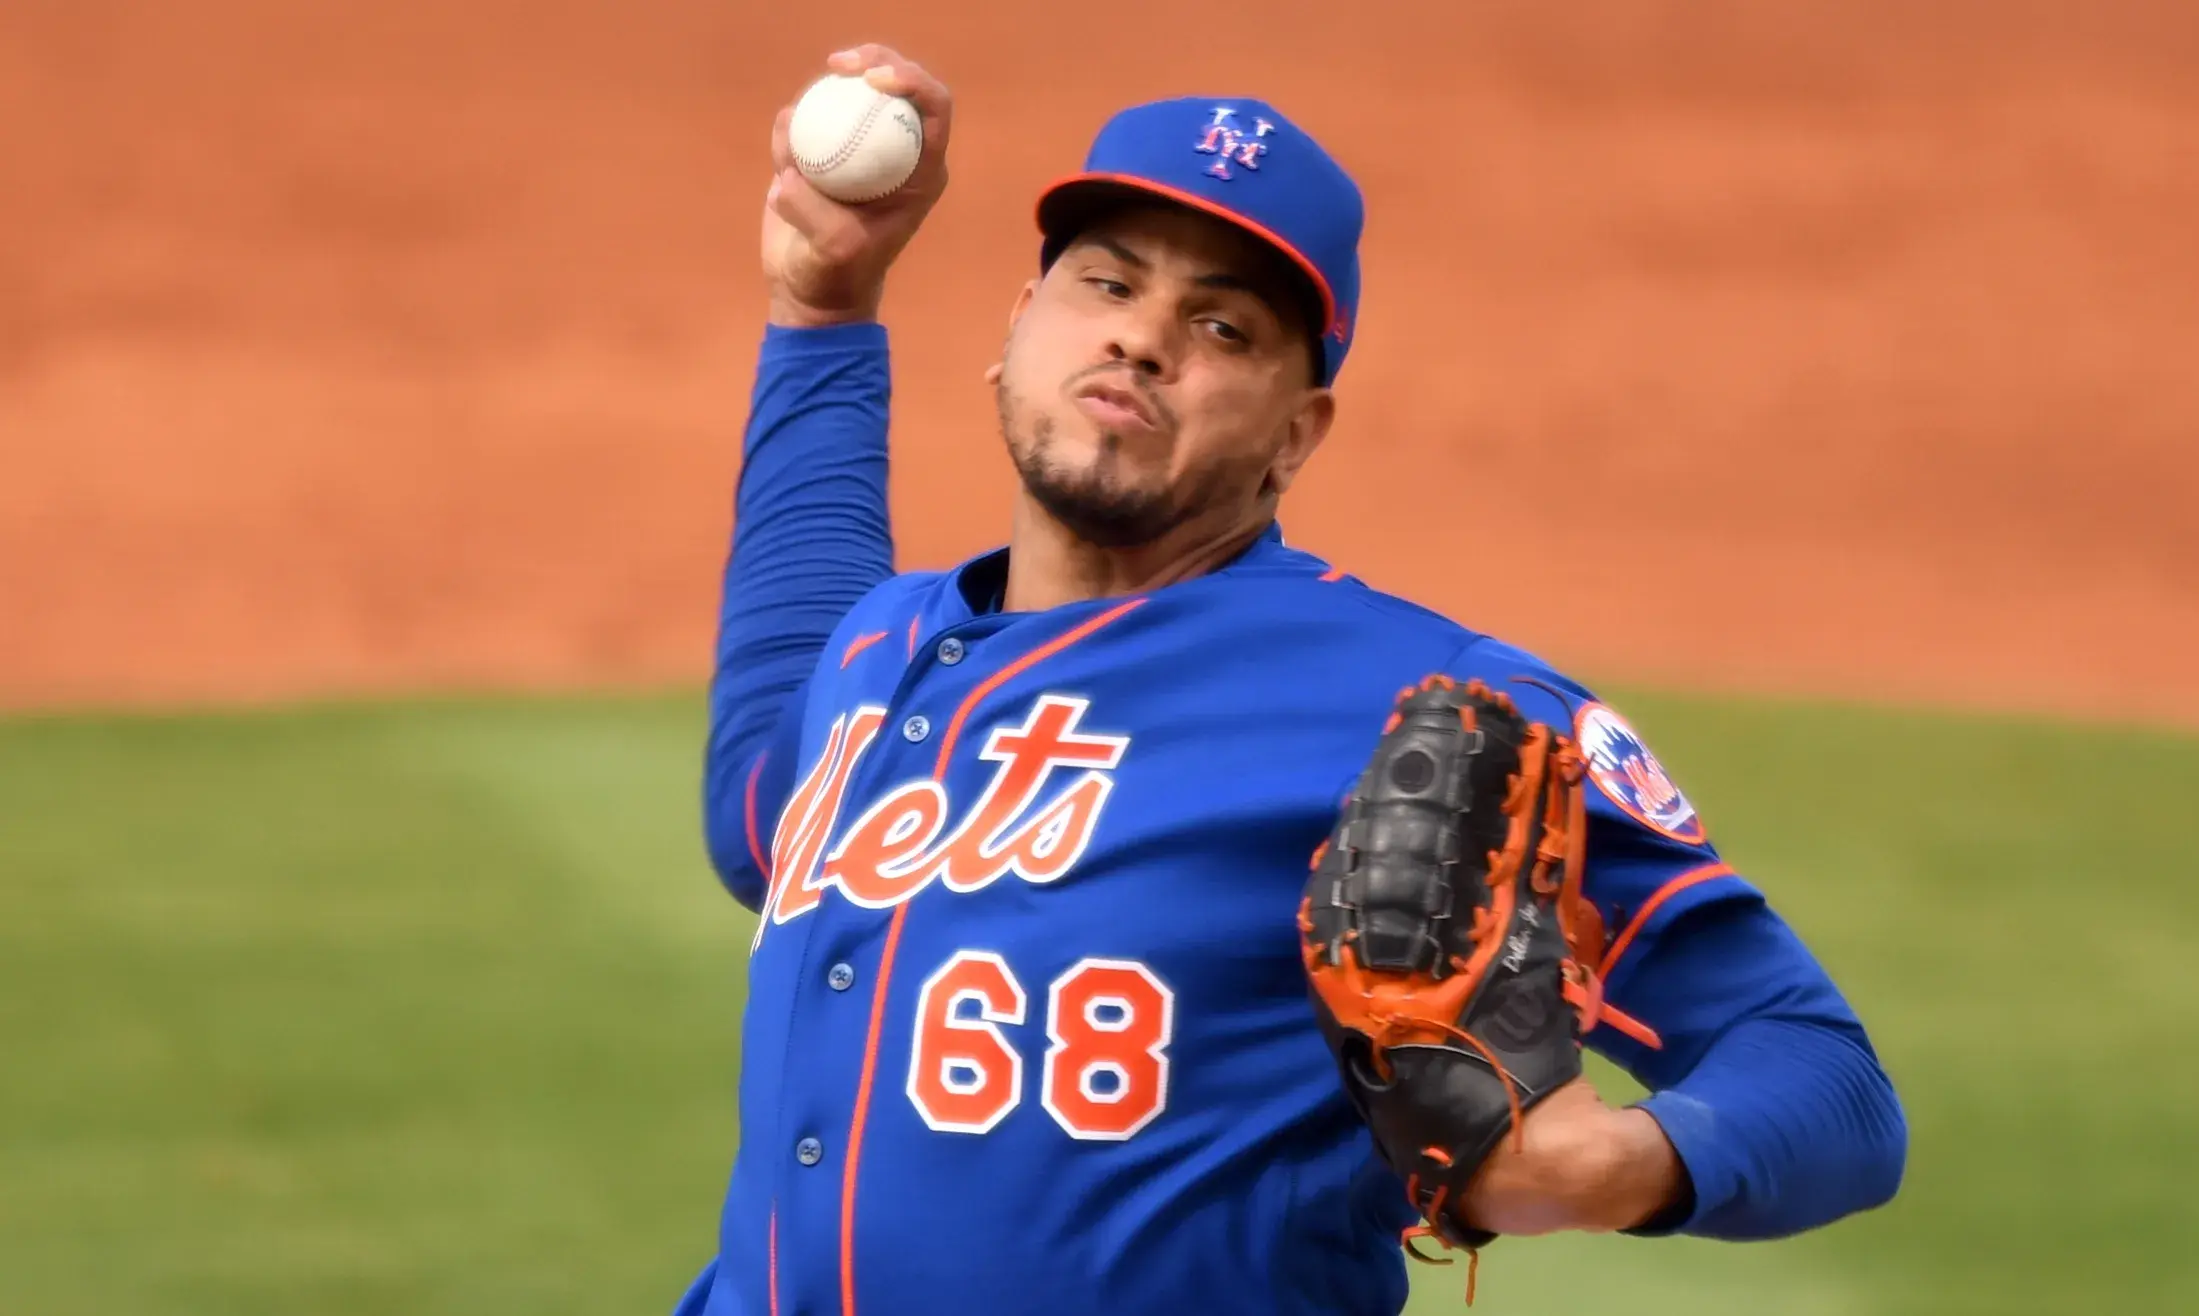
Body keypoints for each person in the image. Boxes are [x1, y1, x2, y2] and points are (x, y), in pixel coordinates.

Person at [672, 43, 1906, 1316]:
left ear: (1294, 435)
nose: (1141, 338)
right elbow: (763, 807)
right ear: (1015, 331)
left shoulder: (1426, 703)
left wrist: (1595, 1166)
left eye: (1221, 326)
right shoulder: (879, 647)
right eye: (1105, 282)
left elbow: (1828, 1081)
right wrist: (822, 310)